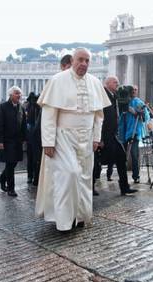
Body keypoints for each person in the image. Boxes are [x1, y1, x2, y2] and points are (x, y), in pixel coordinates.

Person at [35, 48, 111, 231]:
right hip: (63, 137)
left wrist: (96, 137)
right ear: (72, 60)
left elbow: (98, 115)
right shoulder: (57, 80)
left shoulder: (94, 82)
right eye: (80, 60)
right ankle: (63, 220)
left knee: (85, 177)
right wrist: (48, 142)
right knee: (69, 174)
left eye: (87, 61)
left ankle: (81, 216)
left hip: (86, 138)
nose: (83, 64)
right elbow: (49, 115)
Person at [94, 76, 138, 196]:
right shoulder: (102, 95)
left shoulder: (114, 96)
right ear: (107, 83)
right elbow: (99, 117)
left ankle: (124, 187)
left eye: (118, 82)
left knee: (121, 157)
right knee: (96, 161)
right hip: (104, 135)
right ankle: (90, 187)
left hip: (112, 135)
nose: (118, 84)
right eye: (115, 82)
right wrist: (100, 138)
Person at [0, 86, 27, 197]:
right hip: (7, 140)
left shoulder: (21, 107)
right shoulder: (3, 107)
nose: (19, 95)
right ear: (10, 95)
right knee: (10, 164)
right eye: (17, 93)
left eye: (20, 93)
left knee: (14, 163)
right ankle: (11, 189)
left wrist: (24, 138)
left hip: (18, 141)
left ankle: (1, 178)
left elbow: (23, 124)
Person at [122, 85, 150, 183]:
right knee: (122, 154)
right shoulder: (124, 101)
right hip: (124, 130)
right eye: (132, 90)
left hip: (135, 131)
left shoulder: (139, 102)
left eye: (135, 90)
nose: (133, 91)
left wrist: (140, 113)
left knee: (134, 154)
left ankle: (135, 175)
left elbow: (145, 117)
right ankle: (122, 176)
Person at [25, 92, 41, 187]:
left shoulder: (31, 107)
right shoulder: (35, 108)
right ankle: (33, 176)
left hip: (32, 137)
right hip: (34, 137)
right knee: (34, 158)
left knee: (32, 158)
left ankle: (31, 176)